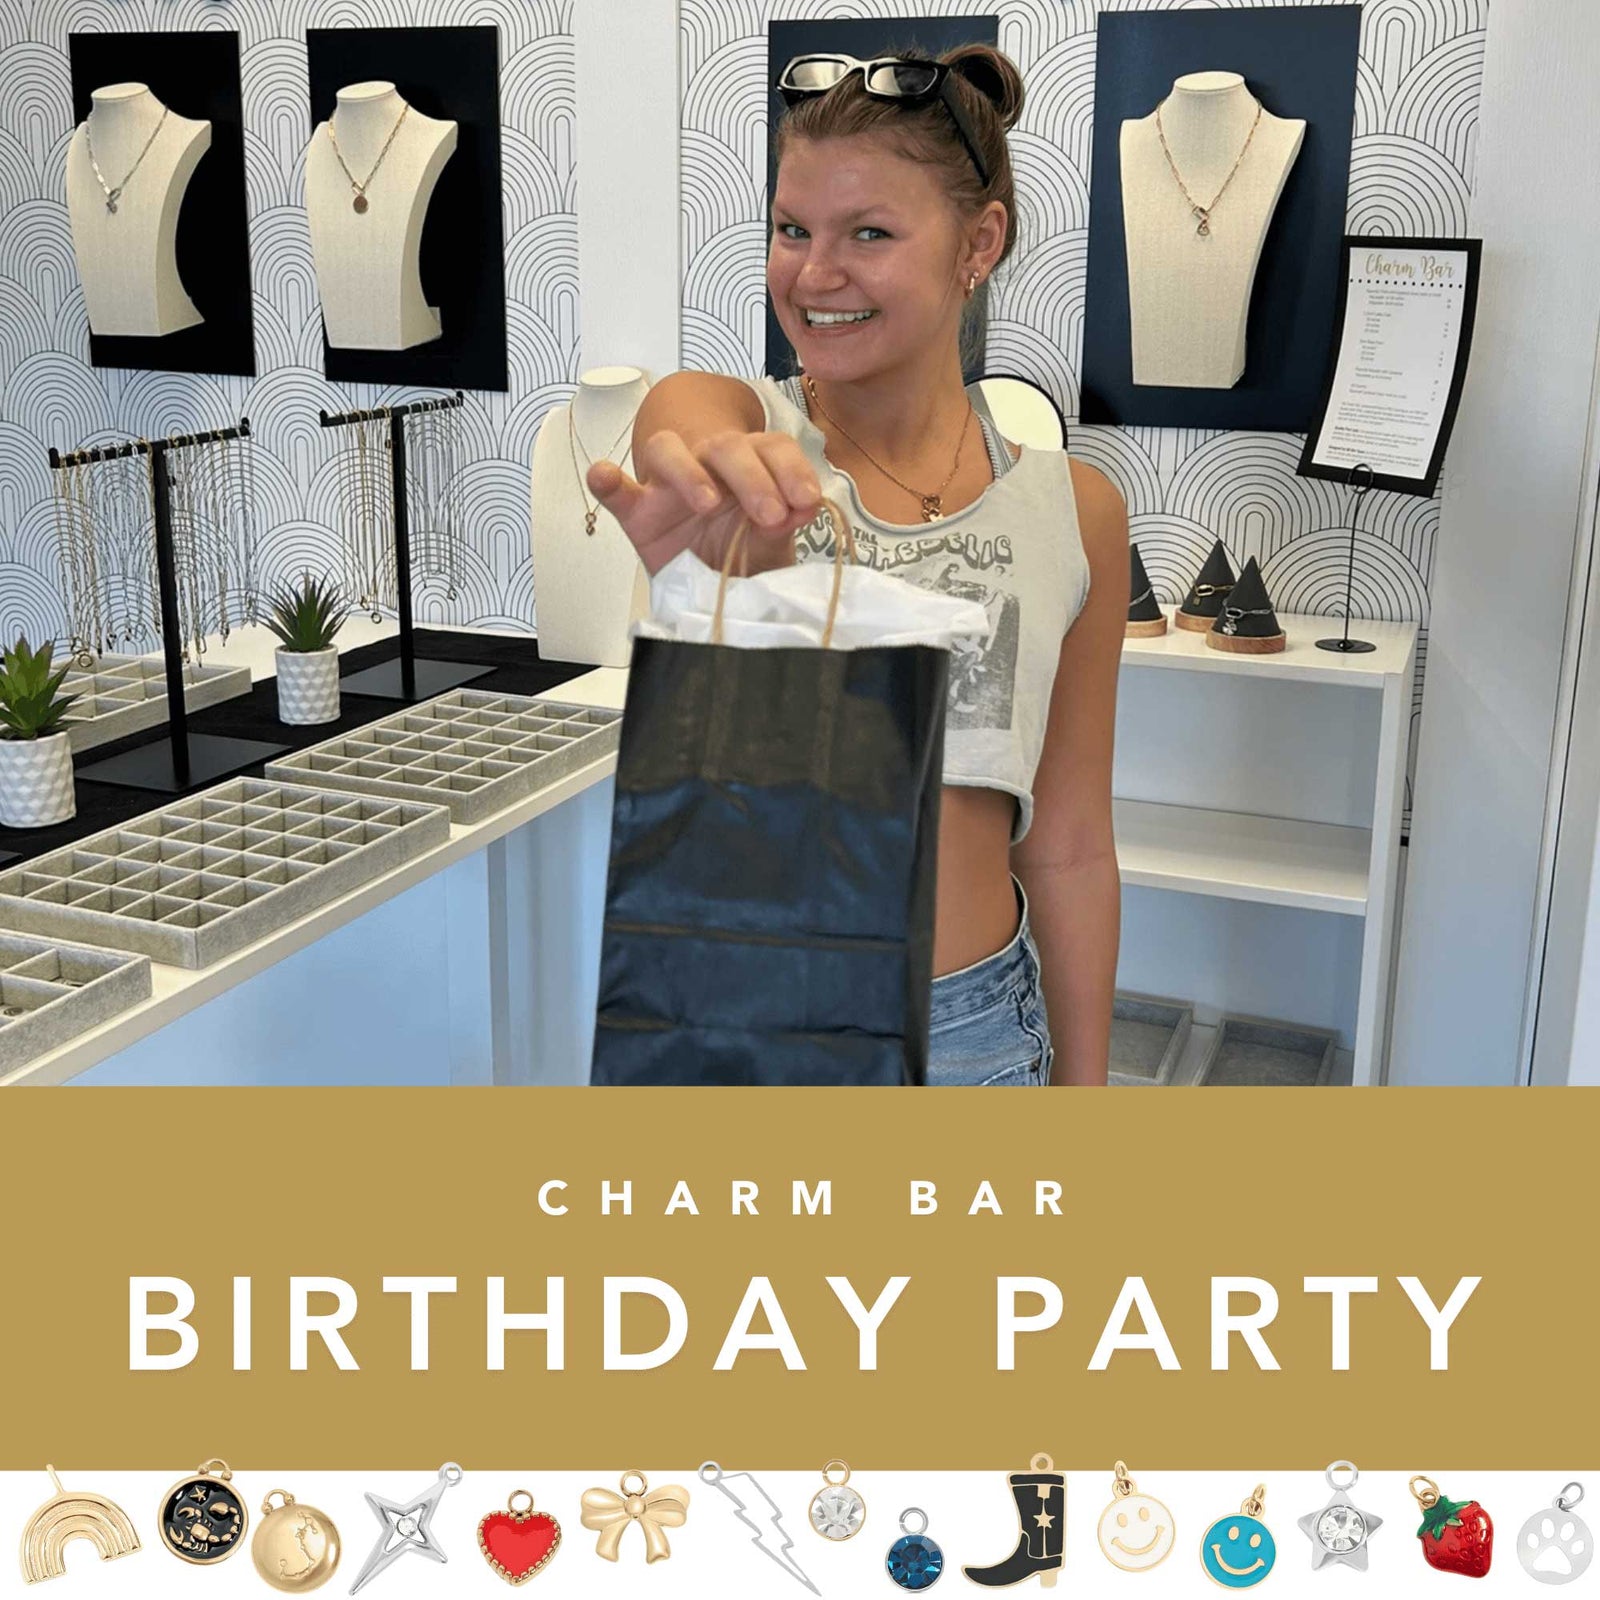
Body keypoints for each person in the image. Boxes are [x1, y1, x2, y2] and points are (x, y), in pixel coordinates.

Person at [586, 44, 1127, 1086]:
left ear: (979, 243)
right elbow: (684, 421)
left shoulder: (1078, 510)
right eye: (792, 229)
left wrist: (1087, 1095)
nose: (812, 274)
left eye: (867, 233)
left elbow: (1067, 845)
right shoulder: (755, 434)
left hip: (975, 1037)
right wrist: (720, 502)